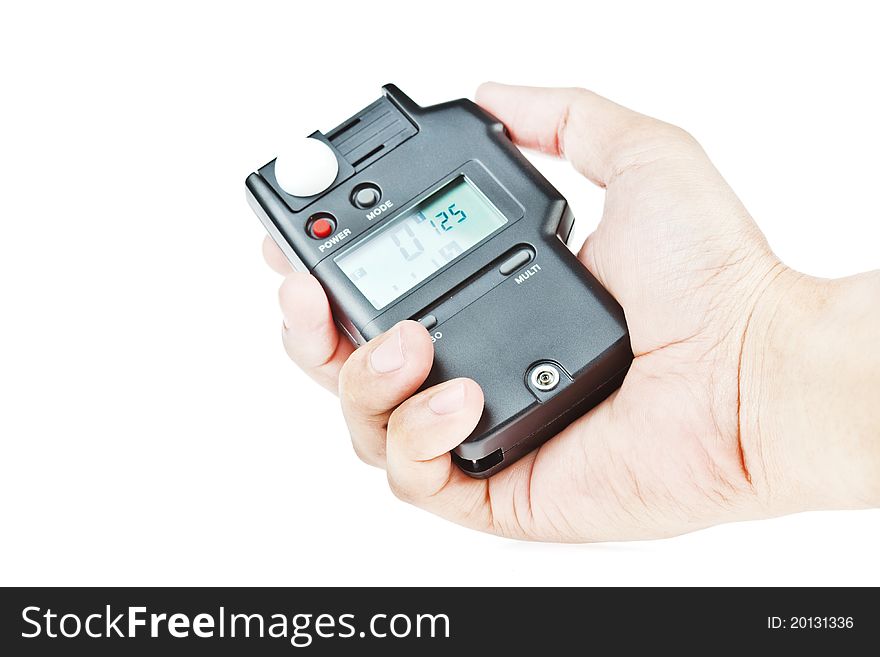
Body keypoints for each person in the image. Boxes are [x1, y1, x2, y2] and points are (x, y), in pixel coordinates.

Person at [261, 83, 879, 542]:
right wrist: (742, 424)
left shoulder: (450, 125)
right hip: (515, 397)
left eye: (452, 214)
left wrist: (746, 376)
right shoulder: (455, 128)